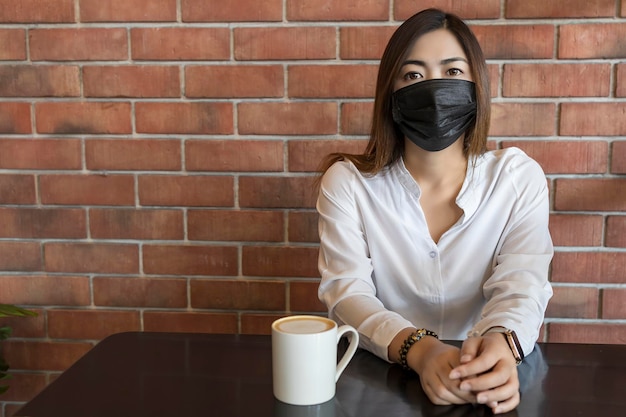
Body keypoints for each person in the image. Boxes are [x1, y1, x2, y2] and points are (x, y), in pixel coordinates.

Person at [316, 8, 553, 415]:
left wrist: (500, 343)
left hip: (487, 377)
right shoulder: (347, 183)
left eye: (453, 72)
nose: (434, 89)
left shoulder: (517, 178)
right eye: (412, 75)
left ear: (477, 87)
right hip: (381, 383)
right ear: (390, 95)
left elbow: (523, 283)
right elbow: (347, 294)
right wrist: (420, 350)